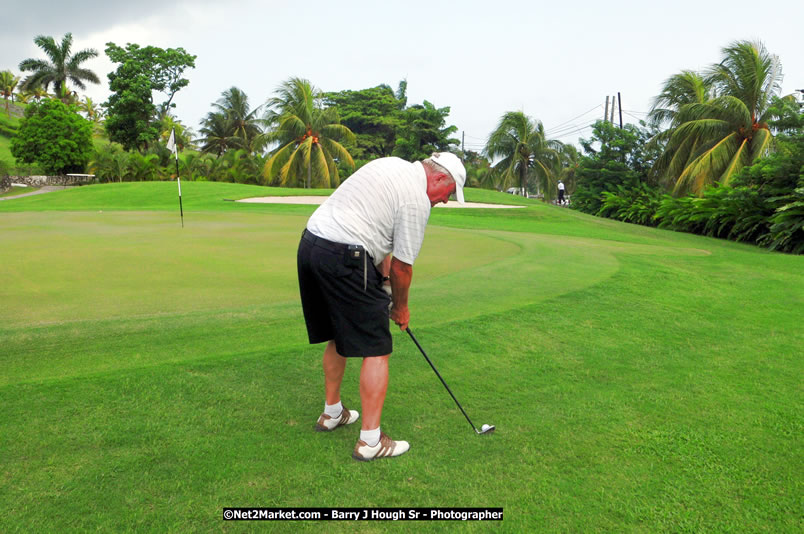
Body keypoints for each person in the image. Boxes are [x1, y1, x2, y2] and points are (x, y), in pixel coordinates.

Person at [296, 152, 466, 461]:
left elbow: (381, 239)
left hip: (311, 244)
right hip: (345, 254)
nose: (444, 200)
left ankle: (332, 413)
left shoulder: (392, 165)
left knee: (339, 331)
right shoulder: (417, 201)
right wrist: (399, 308)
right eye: (449, 193)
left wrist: (384, 284)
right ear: (440, 178)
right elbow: (403, 267)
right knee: (376, 348)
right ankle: (371, 442)